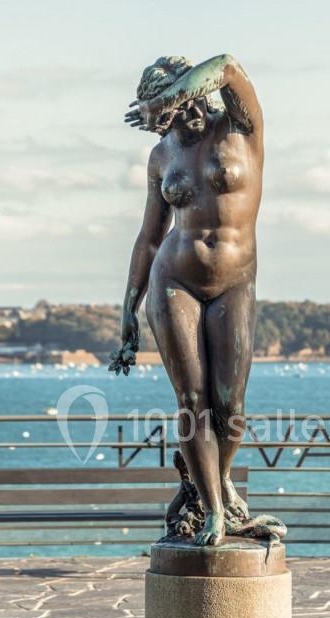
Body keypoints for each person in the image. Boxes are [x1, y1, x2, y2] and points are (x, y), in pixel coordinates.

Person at [112, 54, 264, 546]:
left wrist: (163, 98)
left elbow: (228, 66)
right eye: (156, 114)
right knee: (192, 400)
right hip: (173, 280)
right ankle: (216, 511)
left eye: (165, 107)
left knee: (230, 404)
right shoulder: (162, 156)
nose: (162, 121)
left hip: (234, 282)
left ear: (186, 93)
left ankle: (212, 488)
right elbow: (150, 234)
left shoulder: (240, 127)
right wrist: (129, 304)